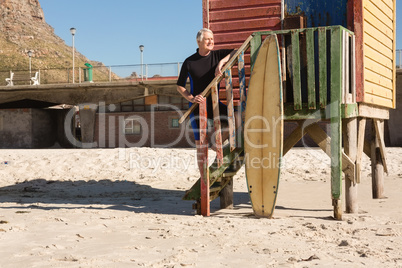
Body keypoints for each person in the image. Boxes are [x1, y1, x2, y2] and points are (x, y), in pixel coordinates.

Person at [177, 28, 236, 171]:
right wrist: (191, 98)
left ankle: (217, 143)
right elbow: (180, 85)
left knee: (239, 116)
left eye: (212, 39)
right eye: (207, 39)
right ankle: (204, 178)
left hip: (214, 104)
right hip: (197, 107)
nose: (211, 42)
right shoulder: (189, 62)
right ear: (199, 41)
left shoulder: (217, 55)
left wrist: (221, 63)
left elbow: (235, 51)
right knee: (201, 146)